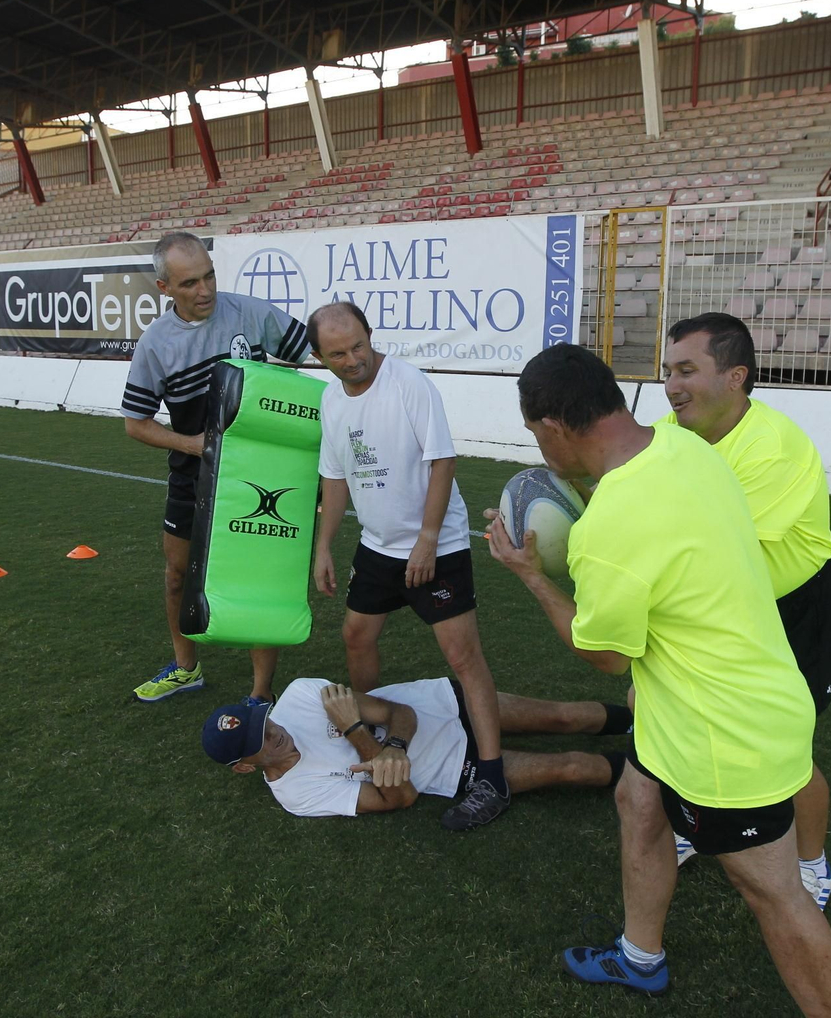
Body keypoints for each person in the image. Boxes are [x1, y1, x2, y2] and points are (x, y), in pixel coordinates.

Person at [485, 344, 831, 1015]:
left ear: (555, 427)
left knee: (772, 889)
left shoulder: (609, 530)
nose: (540, 451)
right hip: (692, 706)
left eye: (536, 435)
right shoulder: (688, 450)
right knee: (638, 800)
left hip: (720, 735)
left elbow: (607, 656)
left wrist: (533, 577)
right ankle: (640, 956)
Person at [660, 312, 831, 909]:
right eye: (668, 371)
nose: (672, 385)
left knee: (788, 748)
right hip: (712, 600)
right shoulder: (671, 432)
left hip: (785, 604)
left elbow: (720, 550)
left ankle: (810, 860)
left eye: (688, 370)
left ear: (736, 376)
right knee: (687, 719)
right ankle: (690, 826)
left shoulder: (774, 448)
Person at [308, 301, 509, 831]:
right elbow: (333, 476)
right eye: (338, 353)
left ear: (369, 335)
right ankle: (371, 727)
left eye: (358, 345)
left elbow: (442, 460)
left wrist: (426, 538)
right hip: (377, 546)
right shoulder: (331, 400)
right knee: (356, 635)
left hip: (435, 546)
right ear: (319, 357)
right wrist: (323, 546)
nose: (353, 359)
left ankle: (492, 776)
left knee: (463, 658)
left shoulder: (408, 384)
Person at [120, 231, 312, 705]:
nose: (204, 290)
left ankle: (261, 693)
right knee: (176, 575)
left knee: (260, 579)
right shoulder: (156, 344)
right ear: (164, 288)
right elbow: (136, 423)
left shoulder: (251, 312)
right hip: (193, 475)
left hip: (262, 475)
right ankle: (186, 669)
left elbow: (316, 353)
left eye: (209, 276)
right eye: (189, 284)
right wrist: (192, 444)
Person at [199, 677, 633, 817]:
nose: (274, 731)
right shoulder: (297, 794)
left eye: (265, 721)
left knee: (563, 717)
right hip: (452, 769)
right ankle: (656, 772)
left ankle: (643, 716)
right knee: (573, 768)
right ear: (244, 768)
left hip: (442, 702)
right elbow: (401, 797)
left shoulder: (297, 696)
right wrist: (355, 732)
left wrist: (396, 748)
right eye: (261, 740)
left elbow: (398, 712)